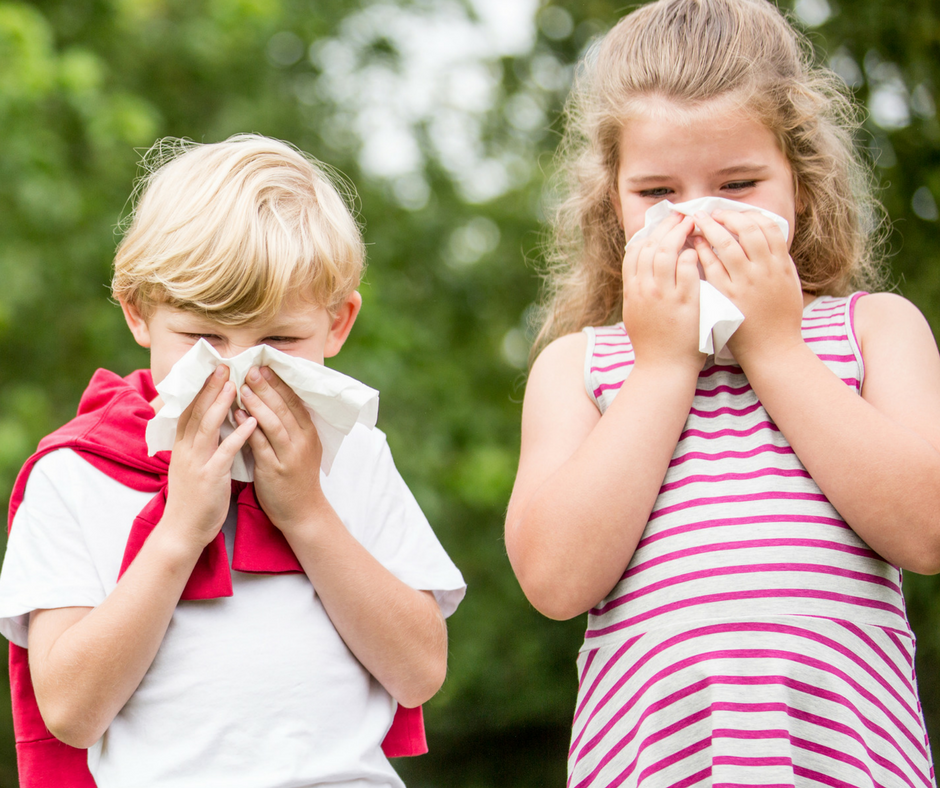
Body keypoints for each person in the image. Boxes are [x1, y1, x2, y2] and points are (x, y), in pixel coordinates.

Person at [504, 0, 940, 785]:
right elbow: (555, 581)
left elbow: (929, 530)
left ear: (800, 183)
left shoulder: (876, 332)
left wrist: (774, 346)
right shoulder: (581, 366)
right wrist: (664, 367)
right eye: (657, 194)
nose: (699, 221)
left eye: (738, 184)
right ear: (614, 202)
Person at [0, 134, 466, 788]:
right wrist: (182, 530)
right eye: (201, 337)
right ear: (139, 312)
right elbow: (71, 711)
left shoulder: (354, 456)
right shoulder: (76, 475)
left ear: (338, 323)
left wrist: (307, 512)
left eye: (280, 339)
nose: (239, 367)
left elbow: (419, 672)